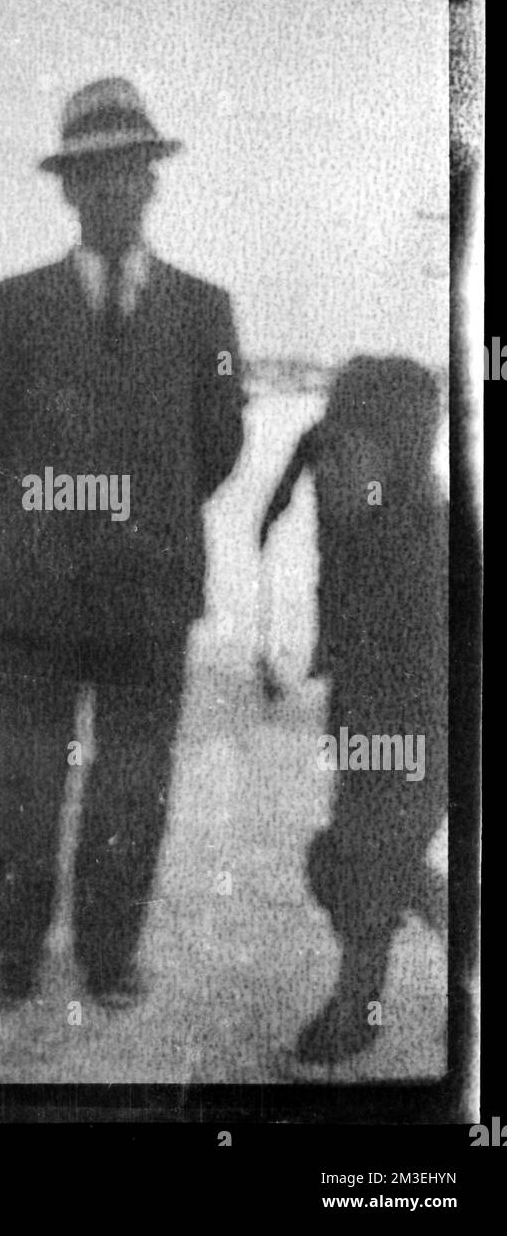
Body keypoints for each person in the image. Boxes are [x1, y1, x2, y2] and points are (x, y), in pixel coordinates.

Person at [0, 77, 245, 1009]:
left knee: (131, 793)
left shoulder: (206, 312)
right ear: (67, 191)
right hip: (37, 598)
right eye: (94, 177)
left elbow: (220, 440)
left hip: (152, 599)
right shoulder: (12, 307)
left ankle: (109, 956)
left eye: (130, 173)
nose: (115, 192)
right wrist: (52, 519)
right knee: (24, 786)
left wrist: (143, 521)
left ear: (153, 184)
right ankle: (10, 957)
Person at [291, 356, 448, 1064]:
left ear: (397, 455)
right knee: (358, 865)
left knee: (359, 868)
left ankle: (358, 1010)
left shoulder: (423, 547)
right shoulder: (365, 525)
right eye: (325, 449)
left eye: (345, 451)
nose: (324, 470)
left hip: (419, 736)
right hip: (372, 729)